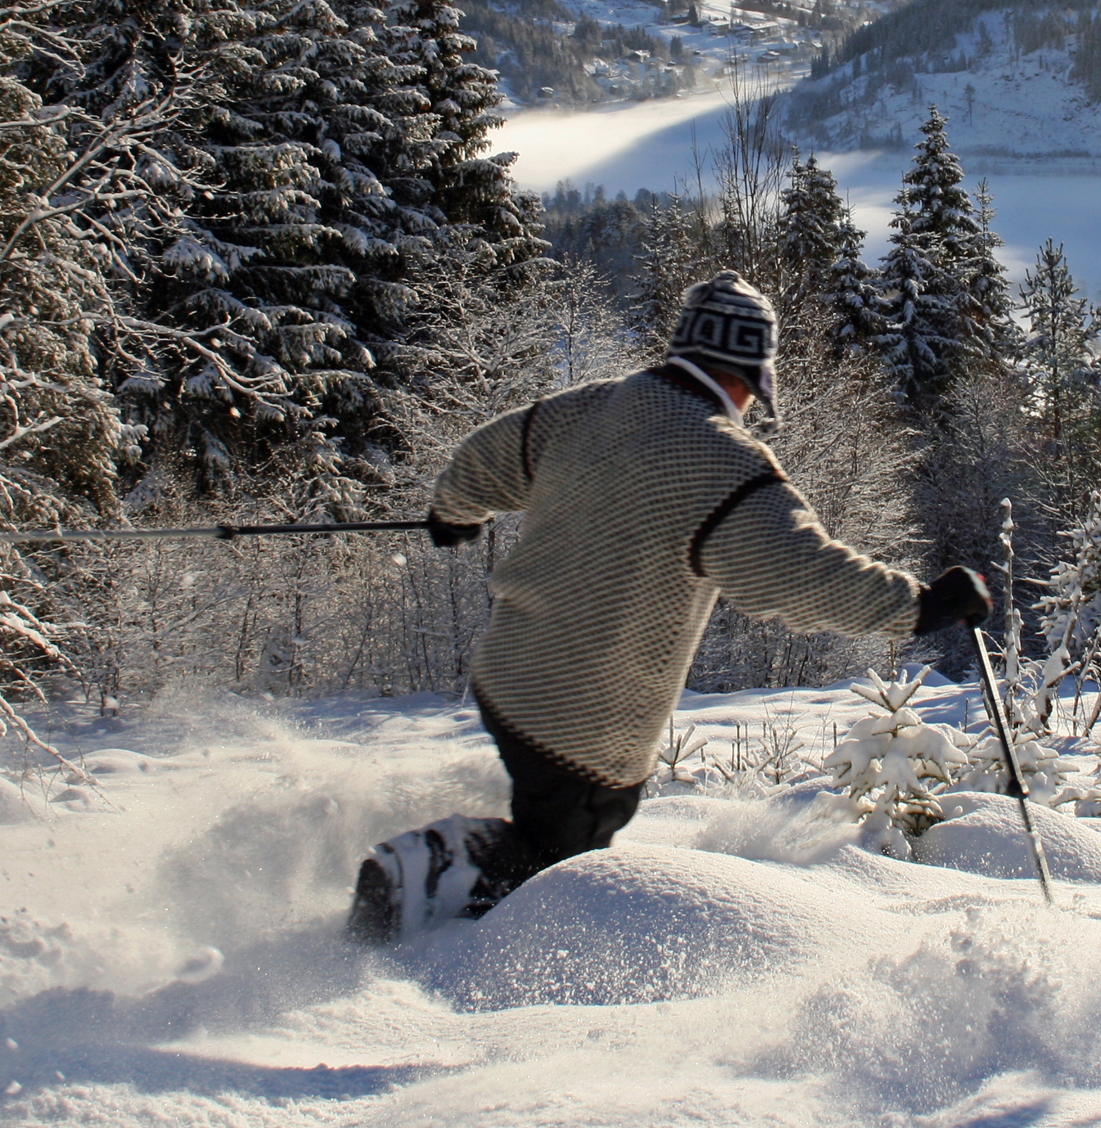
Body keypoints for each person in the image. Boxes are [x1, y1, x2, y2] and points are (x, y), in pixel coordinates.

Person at [349, 270, 992, 943]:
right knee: (556, 864)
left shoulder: (587, 406)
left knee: (550, 830)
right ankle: (417, 880)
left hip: (506, 674)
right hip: (581, 720)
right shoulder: (724, 464)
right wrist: (920, 606)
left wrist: (455, 509)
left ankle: (439, 920)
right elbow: (801, 573)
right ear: (745, 376)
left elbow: (489, 453)